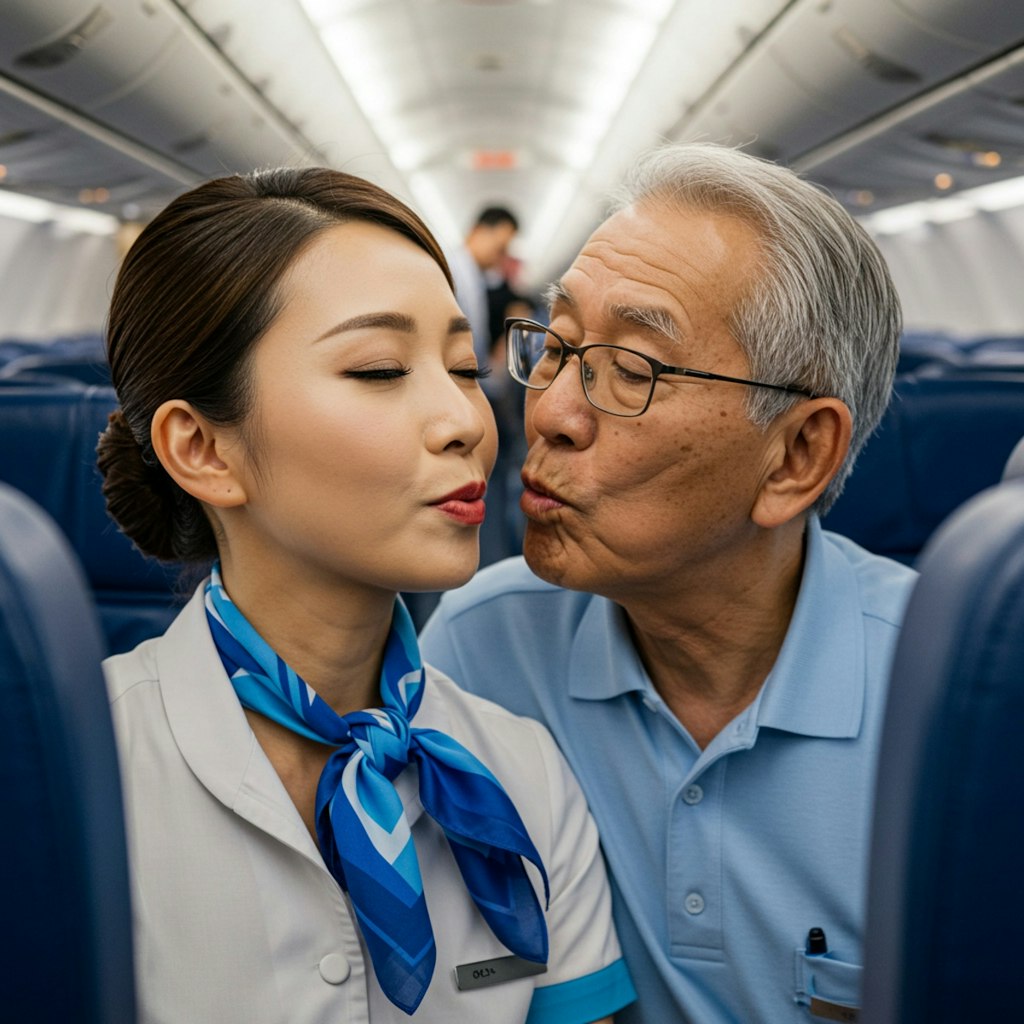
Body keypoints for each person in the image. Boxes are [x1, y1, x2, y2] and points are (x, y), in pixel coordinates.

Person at [96, 167, 635, 1024]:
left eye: (464, 366)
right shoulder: (75, 775)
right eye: (381, 369)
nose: (467, 420)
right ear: (202, 448)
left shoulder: (522, 770)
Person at [420, 142, 917, 1024]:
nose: (553, 413)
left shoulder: (957, 698)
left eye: (633, 372)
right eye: (559, 346)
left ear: (797, 456)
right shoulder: (481, 646)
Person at [446, 205, 519, 370]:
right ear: (477, 231)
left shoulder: (475, 276)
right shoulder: (451, 270)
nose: (502, 256)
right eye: (500, 248)